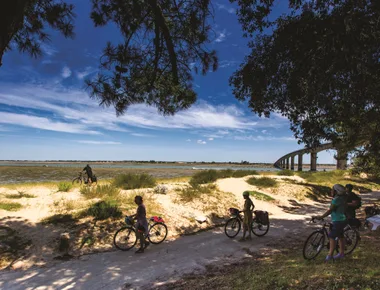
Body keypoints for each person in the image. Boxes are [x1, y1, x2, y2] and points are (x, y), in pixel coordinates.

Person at [313, 184, 347, 262]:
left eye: (332, 190)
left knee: (332, 237)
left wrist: (321, 217)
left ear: (336, 191)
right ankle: (341, 253)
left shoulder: (336, 200)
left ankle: (330, 255)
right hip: (342, 219)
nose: (331, 191)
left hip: (337, 221)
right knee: (341, 237)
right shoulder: (342, 198)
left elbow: (330, 210)